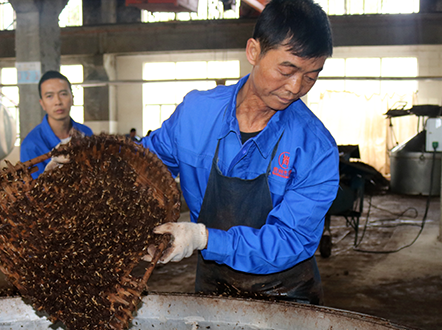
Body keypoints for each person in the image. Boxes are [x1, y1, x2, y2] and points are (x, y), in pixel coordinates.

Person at [139, 0, 338, 305]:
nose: (296, 86)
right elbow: (143, 164)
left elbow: (290, 240)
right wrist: (86, 162)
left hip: (284, 292)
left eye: (311, 75)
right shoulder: (196, 114)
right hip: (213, 283)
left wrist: (203, 238)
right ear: (253, 52)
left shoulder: (316, 148)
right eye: (287, 70)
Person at [20, 70, 93, 179]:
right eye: (49, 96)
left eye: (63, 94)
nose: (58, 101)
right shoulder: (31, 145)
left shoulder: (86, 133)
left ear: (72, 98)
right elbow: (31, 190)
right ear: (42, 104)